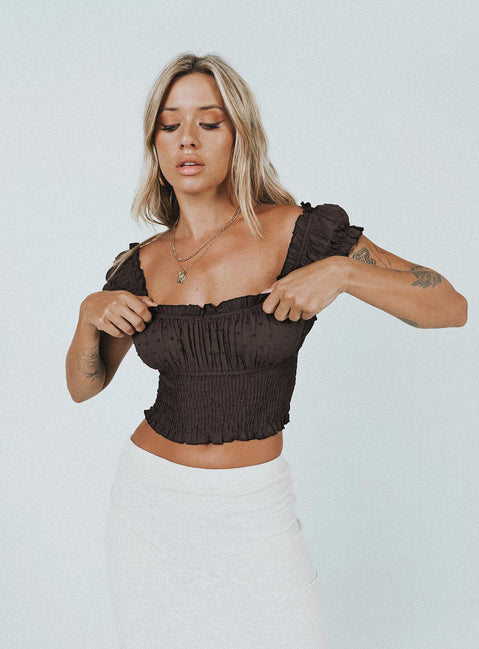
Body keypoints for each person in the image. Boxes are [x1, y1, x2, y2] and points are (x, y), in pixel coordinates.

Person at [65, 52, 467, 649]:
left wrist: (343, 273)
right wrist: (87, 315)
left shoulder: (300, 234)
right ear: (155, 144)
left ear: (240, 135)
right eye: (170, 125)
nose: (187, 139)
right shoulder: (139, 264)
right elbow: (86, 386)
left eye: (209, 121)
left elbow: (450, 307)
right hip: (149, 507)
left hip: (255, 510)